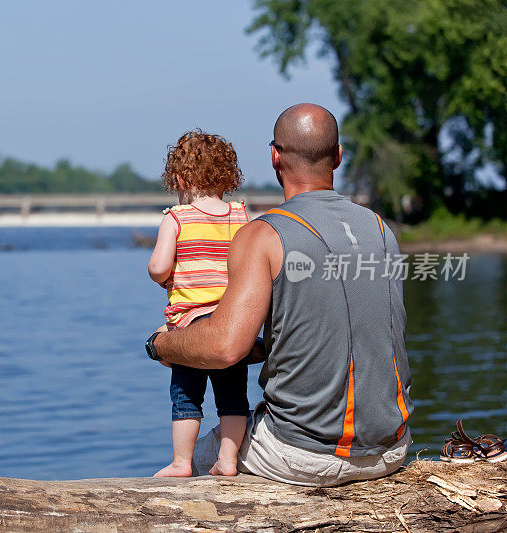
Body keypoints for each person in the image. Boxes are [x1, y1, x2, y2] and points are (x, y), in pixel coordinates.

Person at [144, 103, 414, 486]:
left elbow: (224, 349)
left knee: (197, 461)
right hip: (391, 449)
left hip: (303, 455)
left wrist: (161, 345)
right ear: (338, 156)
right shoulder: (381, 230)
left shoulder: (264, 234)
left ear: (274, 156)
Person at [147, 130, 251, 477]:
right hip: (231, 324)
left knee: (186, 397)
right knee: (233, 398)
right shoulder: (239, 216)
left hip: (189, 325)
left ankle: (182, 462)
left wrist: (166, 277)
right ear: (227, 176)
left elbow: (158, 267)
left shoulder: (176, 218)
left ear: (179, 177)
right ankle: (228, 460)